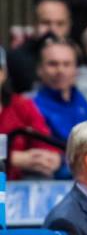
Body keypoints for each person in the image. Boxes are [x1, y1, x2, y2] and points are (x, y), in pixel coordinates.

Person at [32, 39, 87, 178]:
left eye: (66, 64)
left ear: (76, 70)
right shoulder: (29, 104)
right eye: (52, 64)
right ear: (39, 69)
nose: (60, 70)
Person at [0, 46, 61, 180]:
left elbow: (44, 140)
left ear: (3, 73)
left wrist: (50, 158)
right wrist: (13, 158)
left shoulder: (20, 105)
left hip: (16, 188)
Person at [7, 0, 72, 93]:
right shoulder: (15, 58)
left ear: (68, 26)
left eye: (60, 24)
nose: (52, 29)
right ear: (34, 23)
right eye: (46, 23)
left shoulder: (77, 56)